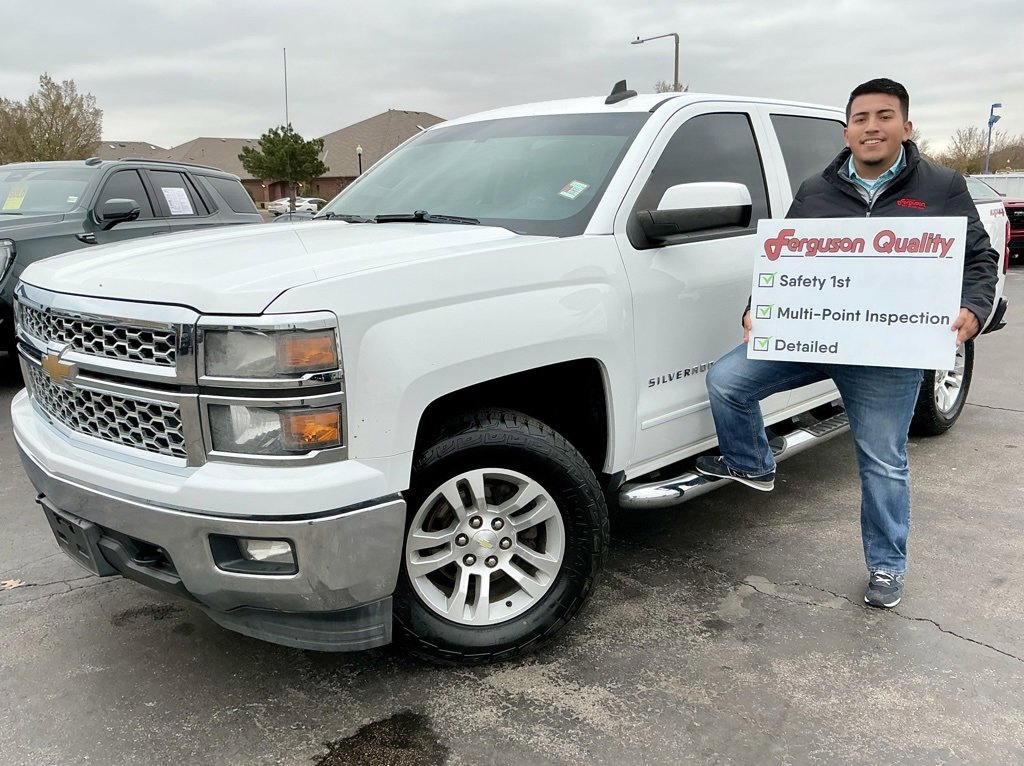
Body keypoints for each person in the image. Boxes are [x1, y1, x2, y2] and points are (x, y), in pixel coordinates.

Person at [695, 78, 999, 609]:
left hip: (888, 353)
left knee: (882, 462)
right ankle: (754, 463)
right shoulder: (817, 189)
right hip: (812, 335)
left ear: (906, 127)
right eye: (861, 118)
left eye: (885, 116)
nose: (872, 126)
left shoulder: (942, 185)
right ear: (847, 130)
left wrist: (974, 307)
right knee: (727, 381)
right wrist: (755, 306)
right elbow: (784, 259)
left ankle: (886, 566)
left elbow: (979, 259)